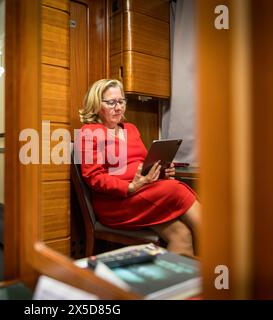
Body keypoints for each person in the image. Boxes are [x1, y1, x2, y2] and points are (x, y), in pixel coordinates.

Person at [77, 79, 200, 257]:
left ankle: (178, 283)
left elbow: (143, 164)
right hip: (116, 203)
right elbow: (93, 177)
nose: (118, 107)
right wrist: (130, 187)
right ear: (96, 105)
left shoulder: (131, 129)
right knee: (176, 190)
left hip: (144, 194)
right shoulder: (88, 133)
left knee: (181, 234)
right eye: (111, 102)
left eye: (121, 101)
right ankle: (223, 259)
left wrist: (162, 171)